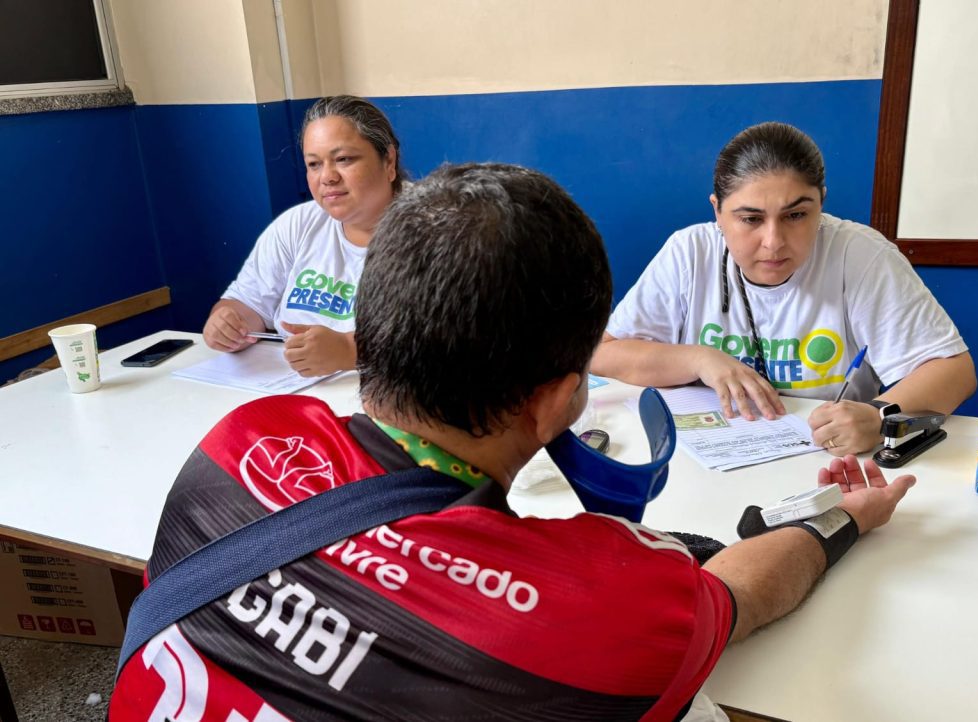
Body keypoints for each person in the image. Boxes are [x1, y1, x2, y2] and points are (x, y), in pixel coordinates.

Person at [111, 163, 915, 721]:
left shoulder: (241, 441)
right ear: (563, 402)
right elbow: (739, 590)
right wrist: (842, 516)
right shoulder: (612, 606)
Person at [591, 122, 976, 455]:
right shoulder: (689, 253)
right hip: (707, 459)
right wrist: (699, 359)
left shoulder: (860, 255)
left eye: (796, 215)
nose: (773, 241)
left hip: (828, 460)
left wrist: (878, 415)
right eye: (750, 219)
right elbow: (602, 354)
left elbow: (955, 372)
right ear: (717, 212)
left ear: (821, 204)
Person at [202, 95, 405, 377]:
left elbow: (453, 340)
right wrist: (226, 323)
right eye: (314, 164)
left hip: (390, 406)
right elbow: (248, 304)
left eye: (343, 159)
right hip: (289, 393)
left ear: (389, 161)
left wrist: (349, 351)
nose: (327, 177)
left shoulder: (434, 231)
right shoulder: (298, 225)